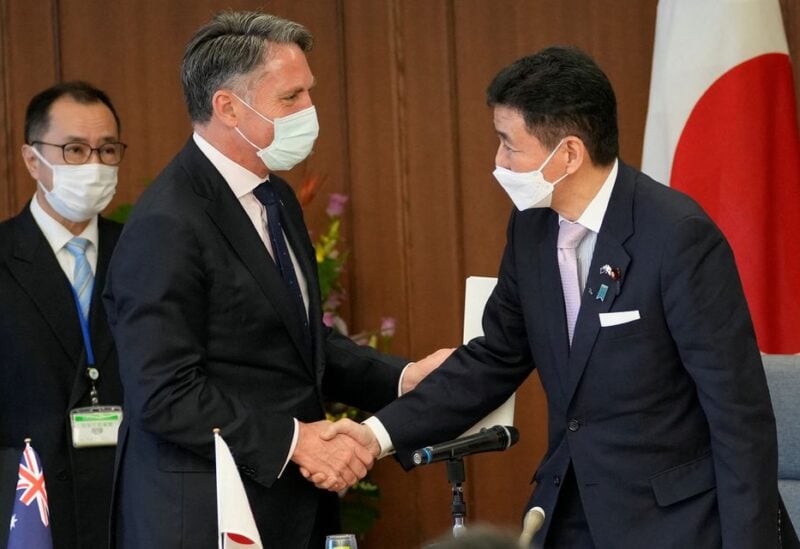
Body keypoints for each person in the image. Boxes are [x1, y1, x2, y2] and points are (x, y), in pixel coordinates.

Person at [325, 46, 797, 548]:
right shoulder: (531, 227)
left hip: (678, 524)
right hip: (571, 510)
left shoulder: (678, 237)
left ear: (568, 153)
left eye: (510, 145)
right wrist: (375, 434)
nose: (498, 161)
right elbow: (494, 357)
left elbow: (738, 415)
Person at [102, 10, 449, 549]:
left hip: (291, 508)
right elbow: (164, 393)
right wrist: (297, 442)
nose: (310, 111)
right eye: (290, 98)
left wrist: (403, 379)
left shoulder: (275, 196)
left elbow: (300, 342)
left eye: (309, 92)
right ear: (226, 107)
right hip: (208, 515)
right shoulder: (167, 223)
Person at [0, 81, 126, 549]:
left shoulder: (141, 251)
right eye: (74, 149)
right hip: (31, 506)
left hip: (128, 503)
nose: (94, 164)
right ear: (33, 160)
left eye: (107, 149)